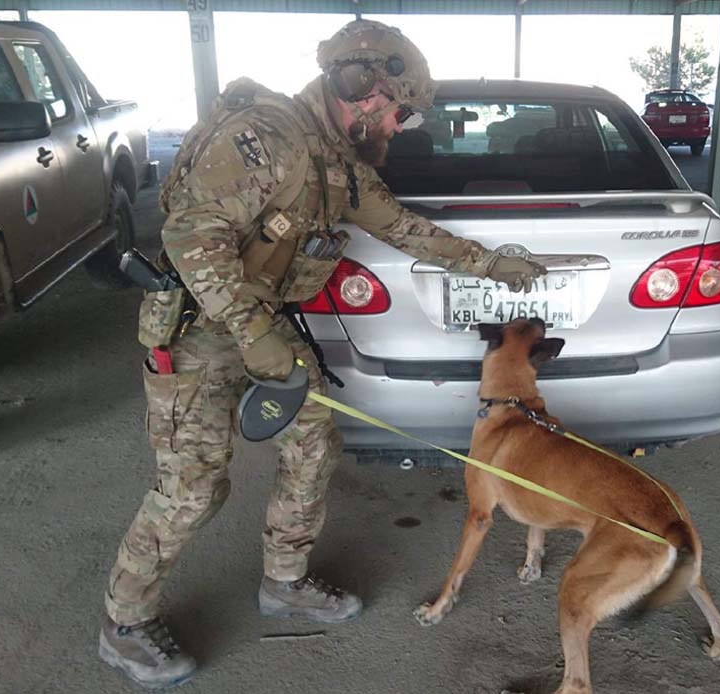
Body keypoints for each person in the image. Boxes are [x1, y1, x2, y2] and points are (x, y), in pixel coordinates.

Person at [97, 19, 546, 689]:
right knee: (194, 485)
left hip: (262, 328)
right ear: (366, 91)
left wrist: (493, 265)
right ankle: (125, 624)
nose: (398, 128)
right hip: (196, 330)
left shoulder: (337, 166)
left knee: (314, 445)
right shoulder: (264, 138)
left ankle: (285, 580)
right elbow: (192, 237)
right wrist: (256, 336)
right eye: (400, 114)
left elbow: (407, 231)